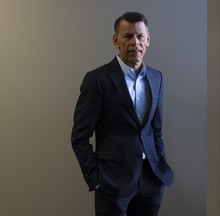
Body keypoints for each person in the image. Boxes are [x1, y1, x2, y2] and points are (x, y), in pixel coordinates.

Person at [71, 11, 174, 216]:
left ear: (148, 40)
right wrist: (96, 179)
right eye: (128, 36)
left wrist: (159, 162)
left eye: (140, 36)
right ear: (115, 40)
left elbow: (156, 129)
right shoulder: (97, 80)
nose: (134, 42)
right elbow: (79, 137)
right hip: (112, 182)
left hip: (150, 180)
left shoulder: (156, 78)